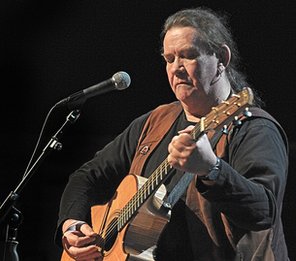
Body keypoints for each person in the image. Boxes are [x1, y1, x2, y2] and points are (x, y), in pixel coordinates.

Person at [55, 6, 289, 261]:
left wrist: (212, 168)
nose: (176, 68)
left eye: (188, 55)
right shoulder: (155, 122)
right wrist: (73, 226)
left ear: (221, 58)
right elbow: (87, 176)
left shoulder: (253, 128)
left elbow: (265, 211)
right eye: (169, 59)